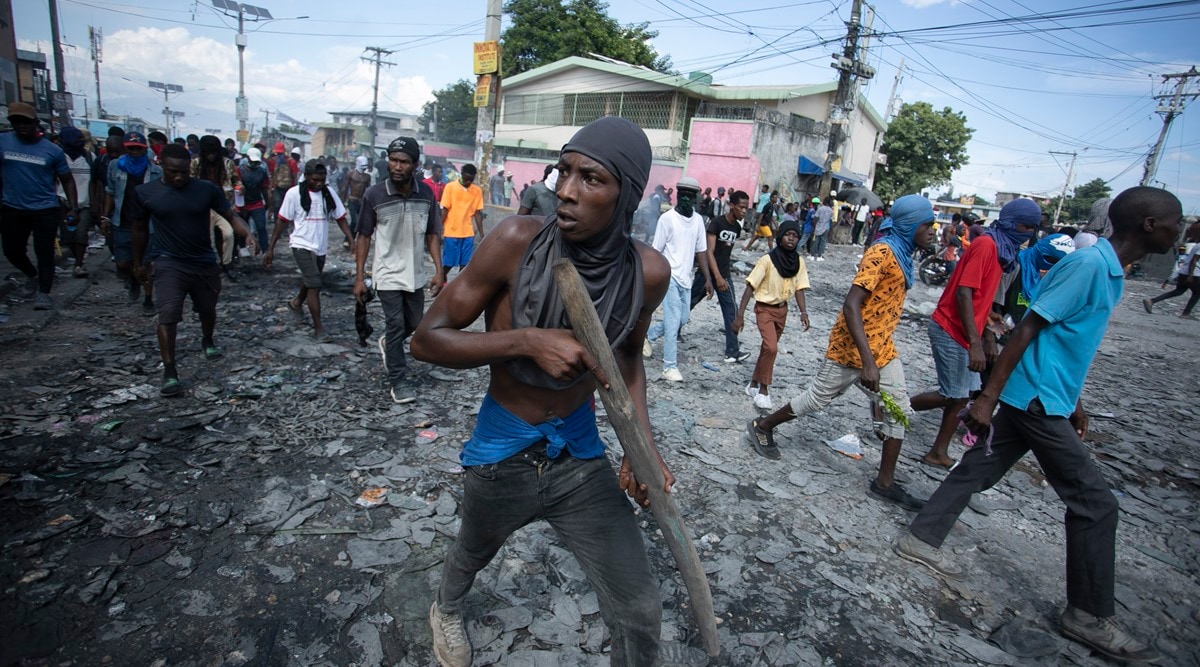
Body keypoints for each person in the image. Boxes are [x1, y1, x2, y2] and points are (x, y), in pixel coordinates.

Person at [410, 116, 672, 667]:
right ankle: (447, 607)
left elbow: (625, 356)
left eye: (592, 180)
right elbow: (426, 341)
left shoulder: (647, 272)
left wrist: (640, 447)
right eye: (565, 172)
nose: (567, 192)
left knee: (640, 607)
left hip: (578, 454)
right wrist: (526, 341)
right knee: (473, 549)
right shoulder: (515, 242)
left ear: (627, 195)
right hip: (503, 448)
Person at [896, 186, 1182, 665]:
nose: (1182, 229)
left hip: (1047, 395)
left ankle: (920, 537)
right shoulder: (1089, 266)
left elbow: (1064, 341)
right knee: (1095, 504)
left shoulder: (1108, 270)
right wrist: (986, 398)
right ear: (1149, 224)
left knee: (977, 468)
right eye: (1175, 221)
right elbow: (1028, 328)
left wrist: (1075, 400)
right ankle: (1087, 614)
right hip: (1035, 401)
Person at [749, 195, 936, 512]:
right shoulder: (881, 252)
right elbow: (851, 305)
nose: (932, 230)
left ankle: (884, 483)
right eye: (927, 224)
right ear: (910, 224)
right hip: (853, 346)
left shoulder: (903, 254)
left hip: (883, 348)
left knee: (899, 409)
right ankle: (763, 426)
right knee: (817, 398)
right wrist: (867, 362)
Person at [909, 198, 1038, 468]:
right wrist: (975, 343)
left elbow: (981, 297)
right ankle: (893, 408)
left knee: (961, 395)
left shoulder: (1002, 251)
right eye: (1026, 227)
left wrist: (989, 330)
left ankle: (938, 451)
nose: (1029, 234)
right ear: (1013, 223)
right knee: (952, 394)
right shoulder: (987, 246)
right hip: (951, 327)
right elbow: (964, 292)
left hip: (965, 331)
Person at [128, 143, 256, 396]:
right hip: (168, 262)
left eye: (184, 172)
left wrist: (247, 233)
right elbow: (139, 229)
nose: (178, 177)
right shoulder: (146, 192)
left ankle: (207, 339)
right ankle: (170, 372)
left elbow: (230, 215)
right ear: (161, 166)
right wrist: (138, 262)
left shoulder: (205, 190)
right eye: (172, 172)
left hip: (203, 261)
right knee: (168, 314)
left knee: (207, 309)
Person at [354, 137, 444, 404]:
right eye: (393, 160)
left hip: (414, 272)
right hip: (387, 272)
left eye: (404, 162)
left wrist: (440, 271)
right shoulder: (374, 195)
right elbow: (364, 236)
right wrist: (360, 277)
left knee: (414, 323)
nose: (397, 166)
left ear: (415, 165)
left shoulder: (426, 194)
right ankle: (398, 381)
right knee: (395, 324)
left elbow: (432, 234)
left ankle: (388, 343)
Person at [0, 103, 79, 310]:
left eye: (26, 121)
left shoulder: (52, 150)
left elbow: (67, 180)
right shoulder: (3, 142)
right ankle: (32, 275)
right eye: (17, 121)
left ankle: (44, 292)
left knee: (44, 251)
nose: (22, 125)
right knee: (12, 250)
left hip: (45, 208)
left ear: (35, 123)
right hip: (12, 206)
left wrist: (73, 207)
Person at [266, 159, 351, 342]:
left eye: (322, 179)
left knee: (312, 278)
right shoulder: (294, 194)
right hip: (301, 244)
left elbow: (341, 217)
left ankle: (296, 303)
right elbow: (282, 221)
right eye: (314, 180)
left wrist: (351, 239)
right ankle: (319, 329)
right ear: (306, 177)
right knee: (314, 284)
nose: (319, 183)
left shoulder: (329, 194)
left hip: (319, 246)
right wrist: (270, 248)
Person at [733, 217, 810, 410]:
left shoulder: (798, 262)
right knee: (772, 347)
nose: (791, 239)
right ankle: (763, 391)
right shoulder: (767, 260)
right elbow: (750, 287)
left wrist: (803, 312)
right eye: (787, 235)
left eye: (795, 236)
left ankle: (753, 383)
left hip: (782, 310)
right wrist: (739, 315)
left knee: (768, 349)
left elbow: (799, 288)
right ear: (780, 237)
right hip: (764, 309)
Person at [644, 176, 712, 382]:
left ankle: (648, 335)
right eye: (682, 195)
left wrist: (707, 278)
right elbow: (656, 251)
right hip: (670, 276)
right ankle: (669, 367)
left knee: (683, 319)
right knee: (673, 323)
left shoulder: (698, 220)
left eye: (690, 196)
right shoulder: (667, 219)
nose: (685, 200)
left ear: (696, 198)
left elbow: (701, 251)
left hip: (687, 278)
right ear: (677, 196)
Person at [688, 189, 750, 363]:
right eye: (741, 207)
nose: (744, 211)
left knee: (731, 310)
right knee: (689, 304)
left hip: (724, 275)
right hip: (707, 275)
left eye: (746, 208)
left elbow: (725, 254)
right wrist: (716, 277)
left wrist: (723, 276)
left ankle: (732, 351)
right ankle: (671, 332)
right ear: (732, 206)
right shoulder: (716, 223)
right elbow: (709, 252)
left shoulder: (737, 228)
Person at [104, 131, 161, 314]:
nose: (135, 151)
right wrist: (105, 216)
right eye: (131, 148)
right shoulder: (115, 166)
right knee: (122, 263)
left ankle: (148, 300)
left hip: (146, 224)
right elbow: (110, 192)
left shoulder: (155, 170)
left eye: (138, 148)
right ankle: (133, 280)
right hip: (122, 221)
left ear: (144, 149)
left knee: (146, 263)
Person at [192, 135, 242, 282]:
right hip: (202, 207)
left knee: (228, 234)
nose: (211, 155)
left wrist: (239, 188)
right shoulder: (196, 164)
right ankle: (204, 265)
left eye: (214, 152)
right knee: (204, 237)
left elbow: (236, 180)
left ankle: (227, 263)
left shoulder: (227, 163)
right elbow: (189, 181)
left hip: (223, 205)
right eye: (208, 152)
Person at [56, 126, 95, 279]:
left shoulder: (90, 158)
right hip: (62, 203)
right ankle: (77, 259)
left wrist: (94, 204)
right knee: (68, 236)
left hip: (83, 203)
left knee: (81, 233)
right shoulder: (59, 157)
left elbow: (94, 182)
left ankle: (78, 264)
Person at [1143, 219, 1200, 318]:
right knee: (1197, 293)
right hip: (1193, 273)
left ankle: (1152, 301)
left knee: (1178, 291)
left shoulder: (1196, 245)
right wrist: (1190, 276)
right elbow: (1193, 261)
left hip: (1184, 272)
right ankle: (1186, 313)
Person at [439, 163, 484, 280]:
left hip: (468, 233)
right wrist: (439, 229)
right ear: (461, 174)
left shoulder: (477, 191)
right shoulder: (450, 187)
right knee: (449, 263)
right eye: (466, 179)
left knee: (464, 265)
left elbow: (478, 213)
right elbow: (445, 210)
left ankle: (457, 288)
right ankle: (441, 280)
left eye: (471, 180)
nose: (468, 182)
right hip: (451, 232)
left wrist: (482, 234)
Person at [237, 147, 272, 253]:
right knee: (242, 230)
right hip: (243, 203)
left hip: (257, 203)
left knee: (261, 227)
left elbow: (264, 189)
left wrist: (268, 204)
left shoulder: (261, 172)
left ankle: (265, 251)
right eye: (252, 161)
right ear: (248, 158)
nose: (254, 164)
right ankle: (243, 251)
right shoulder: (239, 170)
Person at [341, 155, 372, 240]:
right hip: (352, 200)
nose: (364, 168)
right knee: (355, 221)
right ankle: (348, 239)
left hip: (361, 202)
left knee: (360, 223)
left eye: (365, 167)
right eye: (362, 166)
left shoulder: (367, 176)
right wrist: (342, 202)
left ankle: (351, 239)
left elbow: (368, 189)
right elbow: (345, 188)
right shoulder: (351, 174)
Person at [267, 142, 298, 222]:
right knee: (277, 206)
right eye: (277, 153)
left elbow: (295, 176)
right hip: (277, 187)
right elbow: (272, 175)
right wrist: (271, 189)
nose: (279, 155)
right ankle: (277, 224)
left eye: (280, 153)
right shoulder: (273, 162)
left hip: (289, 188)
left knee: (288, 208)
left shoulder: (291, 162)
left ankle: (286, 226)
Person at [811, 196, 833, 260]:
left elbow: (816, 218)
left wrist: (814, 226)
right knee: (823, 242)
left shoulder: (820, 209)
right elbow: (831, 221)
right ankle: (819, 255)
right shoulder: (831, 210)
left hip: (818, 226)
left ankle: (812, 255)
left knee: (816, 241)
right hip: (826, 227)